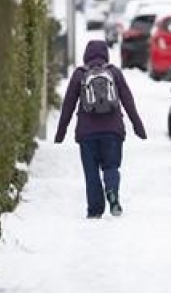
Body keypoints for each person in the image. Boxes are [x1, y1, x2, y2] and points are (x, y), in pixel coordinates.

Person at [54, 40, 147, 219]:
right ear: (106, 55)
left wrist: (61, 133)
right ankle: (112, 192)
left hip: (86, 134)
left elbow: (68, 106)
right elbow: (129, 102)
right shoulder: (114, 73)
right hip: (113, 132)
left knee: (91, 172)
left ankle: (95, 210)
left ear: (86, 55)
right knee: (111, 166)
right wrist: (138, 127)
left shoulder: (79, 75)